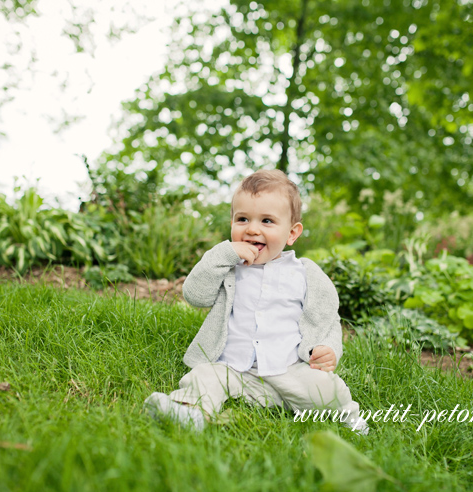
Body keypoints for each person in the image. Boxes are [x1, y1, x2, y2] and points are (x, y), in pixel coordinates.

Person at [144, 169, 367, 434]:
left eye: (267, 221)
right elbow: (195, 295)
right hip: (234, 368)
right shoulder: (228, 266)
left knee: (327, 388)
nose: (252, 229)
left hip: (288, 370)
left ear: (292, 233)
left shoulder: (305, 273)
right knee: (204, 376)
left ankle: (350, 419)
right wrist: (224, 252)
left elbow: (327, 317)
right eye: (242, 219)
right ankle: (190, 413)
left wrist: (327, 348)